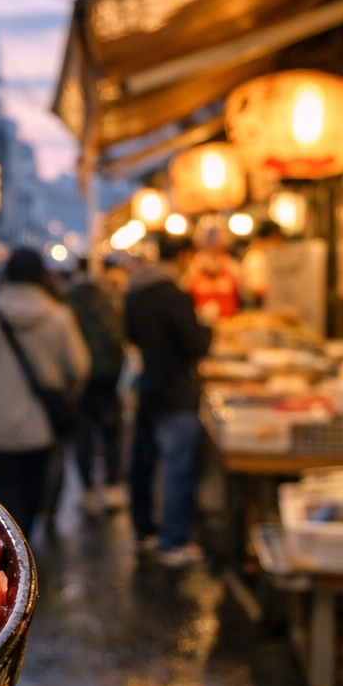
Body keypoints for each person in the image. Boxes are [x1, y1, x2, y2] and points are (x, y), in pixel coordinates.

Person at [0, 247, 89, 537]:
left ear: (6, 276)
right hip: (40, 423)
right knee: (34, 484)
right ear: (42, 275)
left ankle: (11, 541)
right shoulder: (58, 316)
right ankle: (26, 534)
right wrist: (63, 391)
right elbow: (78, 367)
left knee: (2, 487)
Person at [126, 232, 213, 567]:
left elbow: (132, 336)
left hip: (146, 389)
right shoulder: (175, 295)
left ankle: (143, 532)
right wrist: (208, 329)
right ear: (184, 256)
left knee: (143, 465)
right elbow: (195, 346)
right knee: (178, 468)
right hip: (176, 392)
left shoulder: (135, 292)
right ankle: (173, 542)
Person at [67, 263, 128, 514]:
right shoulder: (110, 308)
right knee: (111, 434)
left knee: (83, 437)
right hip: (109, 382)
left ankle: (88, 491)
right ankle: (112, 488)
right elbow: (120, 345)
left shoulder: (70, 309)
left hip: (81, 384)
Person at [183, 231, 239, 324]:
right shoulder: (192, 268)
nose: (214, 248)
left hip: (231, 324)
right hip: (201, 324)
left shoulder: (231, 265)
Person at [239, 221, 284, 309]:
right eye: (278, 238)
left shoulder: (265, 255)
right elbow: (257, 290)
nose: (281, 243)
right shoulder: (255, 256)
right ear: (271, 236)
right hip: (257, 308)